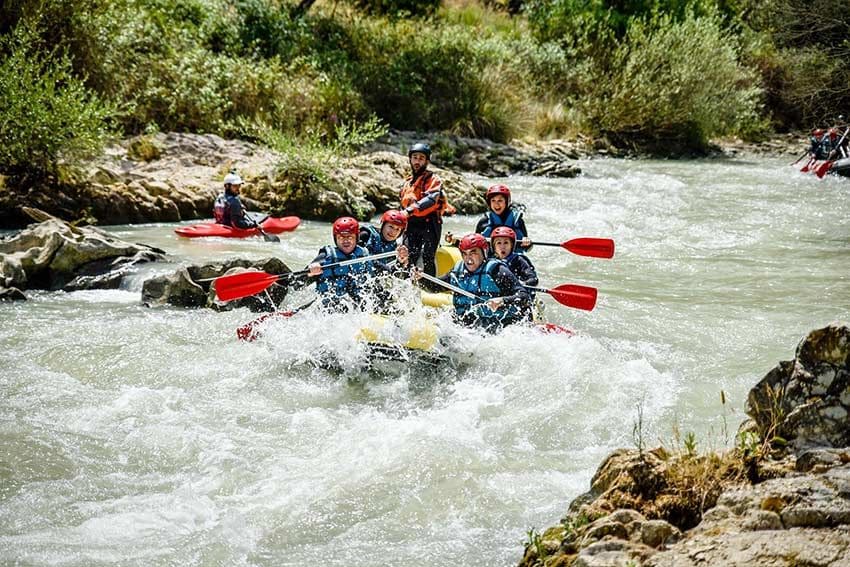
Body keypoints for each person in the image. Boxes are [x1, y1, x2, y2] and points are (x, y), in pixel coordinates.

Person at [423, 233, 531, 333]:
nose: (468, 258)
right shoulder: (457, 271)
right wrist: (419, 278)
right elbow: (434, 287)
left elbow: (524, 296)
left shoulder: (497, 270)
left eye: (473, 252)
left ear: (484, 252)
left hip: (500, 323)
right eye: (464, 254)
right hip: (470, 322)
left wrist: (502, 300)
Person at [305, 216, 405, 312]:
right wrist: (310, 272)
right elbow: (299, 283)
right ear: (335, 238)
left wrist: (401, 263)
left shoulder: (365, 256)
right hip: (331, 308)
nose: (346, 240)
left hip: (356, 305)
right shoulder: (326, 257)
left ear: (357, 238)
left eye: (350, 237)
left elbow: (388, 273)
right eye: (341, 237)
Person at [399, 142, 448, 279]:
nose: (417, 161)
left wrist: (408, 211)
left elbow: (432, 199)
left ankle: (429, 288)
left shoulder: (434, 179)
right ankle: (406, 285)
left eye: (421, 158)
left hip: (429, 223)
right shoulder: (407, 183)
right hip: (411, 224)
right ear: (410, 159)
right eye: (415, 157)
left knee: (427, 257)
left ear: (426, 161)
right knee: (406, 256)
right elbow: (401, 206)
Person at [446, 184, 532, 253]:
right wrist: (455, 241)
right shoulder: (484, 221)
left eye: (500, 201)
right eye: (493, 201)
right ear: (489, 203)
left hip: (513, 258)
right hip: (490, 259)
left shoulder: (517, 221)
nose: (496, 204)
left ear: (507, 202)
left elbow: (527, 248)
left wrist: (527, 242)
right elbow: (474, 245)